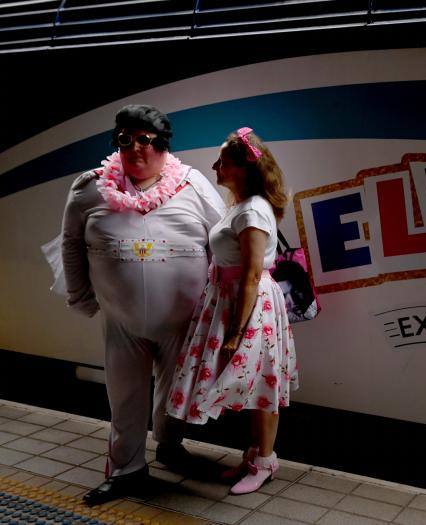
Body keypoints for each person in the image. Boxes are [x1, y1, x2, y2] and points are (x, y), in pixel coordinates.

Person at [60, 104, 225, 505]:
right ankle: (127, 470)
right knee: (125, 397)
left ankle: (170, 446)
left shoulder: (193, 183)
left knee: (174, 393)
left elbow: (224, 243)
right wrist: (80, 296)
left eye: (147, 141)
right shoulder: (90, 186)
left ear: (164, 147)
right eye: (125, 139)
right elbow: (70, 243)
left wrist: (224, 308)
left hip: (183, 321)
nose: (136, 149)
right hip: (121, 321)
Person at [167, 127, 299, 495]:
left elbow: (253, 274)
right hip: (232, 301)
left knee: (263, 386)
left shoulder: (254, 210)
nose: (215, 166)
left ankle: (266, 461)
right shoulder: (241, 207)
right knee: (253, 384)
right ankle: (255, 456)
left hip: (250, 308)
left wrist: (237, 333)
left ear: (241, 168)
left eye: (222, 161)